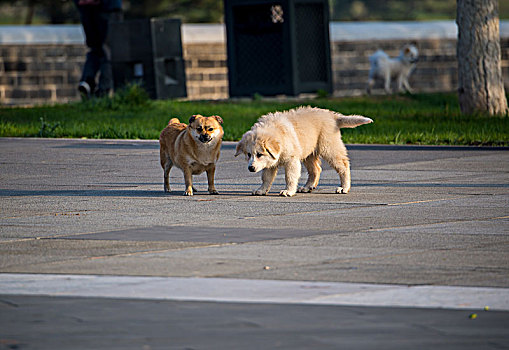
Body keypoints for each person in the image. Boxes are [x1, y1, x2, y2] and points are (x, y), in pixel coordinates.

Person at [74, 0, 122, 99]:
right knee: (109, 50)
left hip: (86, 8)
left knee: (95, 49)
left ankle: (87, 81)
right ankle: (103, 91)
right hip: (107, 8)